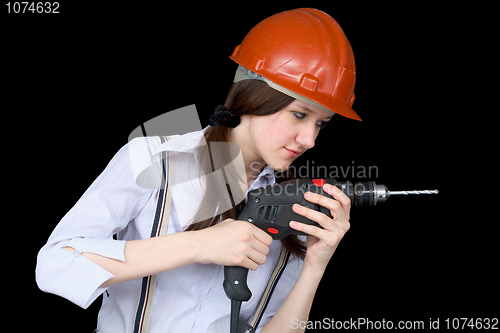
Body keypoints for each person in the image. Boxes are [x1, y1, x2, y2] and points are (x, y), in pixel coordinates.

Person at [36, 8, 360, 333]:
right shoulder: (156, 159)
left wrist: (315, 266)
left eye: (321, 123)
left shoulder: (293, 208)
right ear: (255, 96)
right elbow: (56, 264)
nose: (310, 140)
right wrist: (199, 245)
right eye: (299, 115)